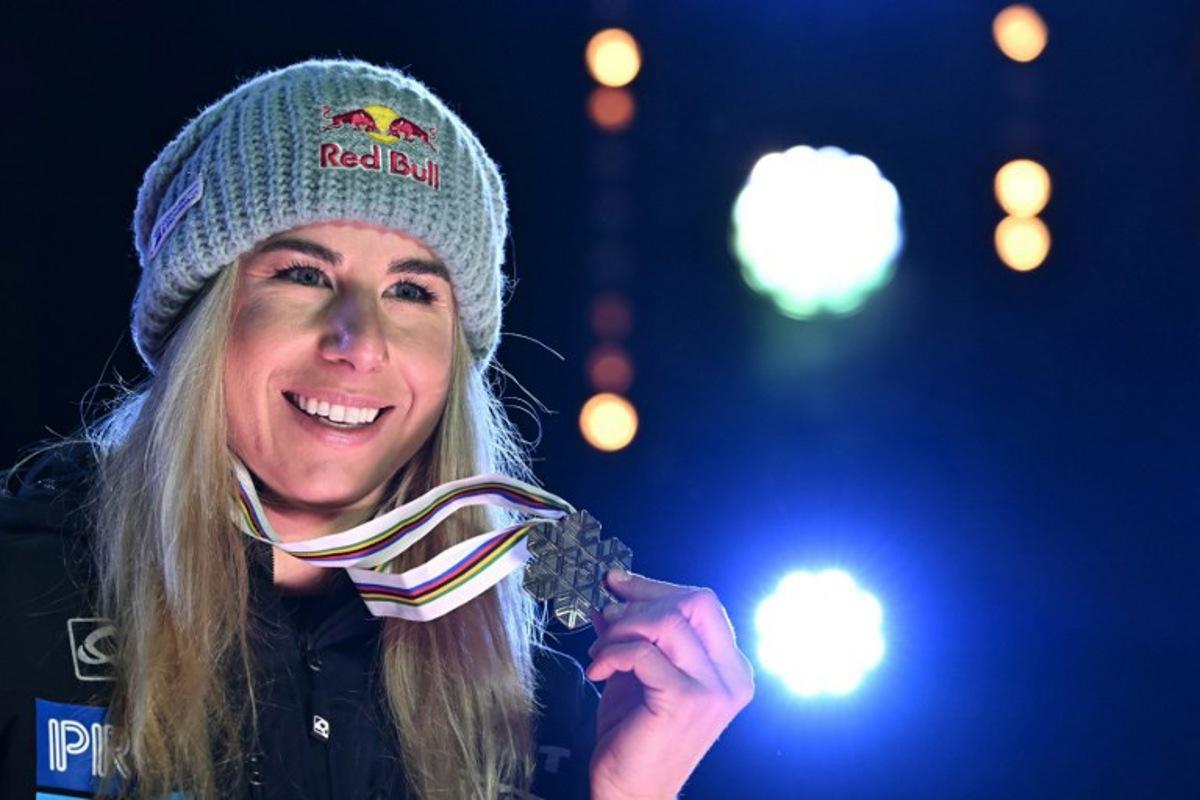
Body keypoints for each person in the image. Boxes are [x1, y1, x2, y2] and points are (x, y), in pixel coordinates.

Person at [0, 59, 753, 799]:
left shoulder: (545, 697)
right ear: (201, 316)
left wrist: (630, 793)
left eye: (410, 290)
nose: (358, 342)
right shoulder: (21, 598)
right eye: (303, 274)